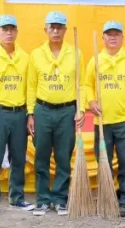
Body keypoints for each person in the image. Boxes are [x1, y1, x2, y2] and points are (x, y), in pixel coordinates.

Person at [27, 11, 84, 216]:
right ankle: (42, 199)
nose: (56, 31)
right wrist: (30, 114)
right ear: (45, 30)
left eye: (59, 27)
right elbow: (31, 86)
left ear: (65, 30)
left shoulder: (75, 53)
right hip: (43, 110)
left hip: (66, 111)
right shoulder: (36, 54)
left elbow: (81, 84)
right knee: (41, 155)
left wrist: (80, 109)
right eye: (52, 27)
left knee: (63, 156)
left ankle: (60, 198)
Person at [0, 15, 34, 215]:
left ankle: (17, 198)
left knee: (18, 157)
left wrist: (30, 114)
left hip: (19, 113)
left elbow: (30, 88)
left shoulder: (25, 57)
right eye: (4, 29)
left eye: (12, 29)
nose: (8, 33)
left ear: (17, 32)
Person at [84, 20, 125, 217]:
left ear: (122, 37)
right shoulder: (95, 60)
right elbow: (86, 85)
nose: (113, 37)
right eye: (109, 34)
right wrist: (91, 101)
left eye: (117, 34)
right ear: (103, 38)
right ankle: (107, 195)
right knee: (103, 161)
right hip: (101, 122)